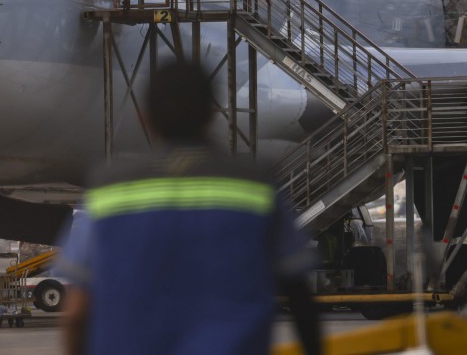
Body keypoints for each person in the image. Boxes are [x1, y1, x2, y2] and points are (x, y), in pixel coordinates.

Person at [59, 60, 320, 355]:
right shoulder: (255, 186)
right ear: (210, 114)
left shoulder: (107, 191)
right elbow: (299, 295)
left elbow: (77, 312)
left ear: (144, 117)